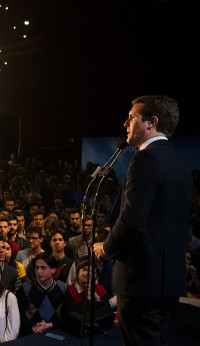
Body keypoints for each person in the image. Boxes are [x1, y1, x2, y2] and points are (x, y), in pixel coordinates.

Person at [93, 95, 194, 346]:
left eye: (132, 117)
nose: (125, 123)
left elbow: (132, 219)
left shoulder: (145, 158)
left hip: (141, 281)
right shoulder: (181, 166)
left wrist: (105, 248)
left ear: (152, 122)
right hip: (168, 280)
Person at [15, 252, 67, 336]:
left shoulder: (63, 288)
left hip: (56, 332)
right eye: (36, 268)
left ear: (53, 270)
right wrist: (32, 327)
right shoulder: (24, 288)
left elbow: (67, 316)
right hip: (31, 333)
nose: (39, 271)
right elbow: (18, 314)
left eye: (43, 268)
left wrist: (50, 325)